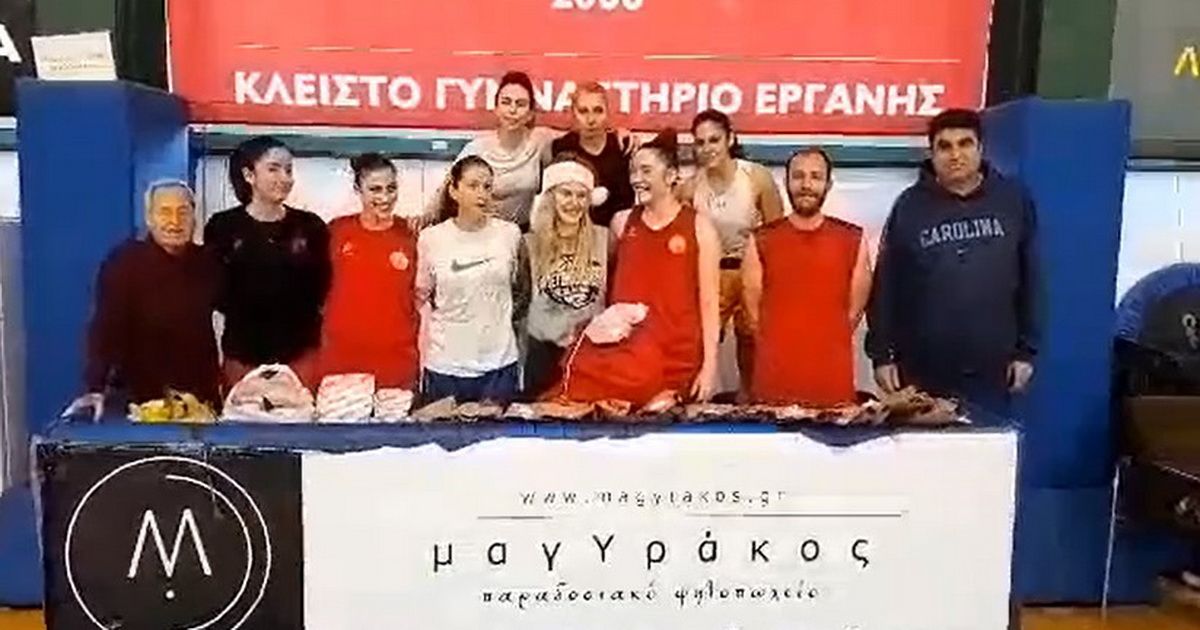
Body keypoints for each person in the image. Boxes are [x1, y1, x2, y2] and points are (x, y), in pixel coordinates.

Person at [866, 109, 1040, 415]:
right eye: (944, 146)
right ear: (932, 154)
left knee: (989, 444)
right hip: (923, 369)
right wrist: (882, 355)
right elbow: (886, 285)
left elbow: (1032, 279)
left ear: (980, 148)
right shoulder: (909, 206)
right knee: (925, 447)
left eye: (965, 143)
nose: (955, 154)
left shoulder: (1013, 200)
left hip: (994, 370)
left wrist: (1027, 352)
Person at [559, 130, 721, 405]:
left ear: (671, 176)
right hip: (626, 357)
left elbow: (709, 302)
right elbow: (604, 286)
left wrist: (709, 367)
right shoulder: (621, 223)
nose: (636, 179)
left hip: (678, 357)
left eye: (646, 171)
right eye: (633, 171)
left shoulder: (699, 227)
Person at [63, 181, 221, 420]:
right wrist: (95, 386)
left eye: (183, 212)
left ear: (194, 218)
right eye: (165, 212)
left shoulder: (208, 263)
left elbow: (242, 312)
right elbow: (105, 328)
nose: (175, 221)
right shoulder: (124, 263)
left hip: (198, 401)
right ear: (149, 218)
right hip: (139, 401)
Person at [742, 148, 871, 406]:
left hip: (832, 387)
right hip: (773, 387)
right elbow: (752, 311)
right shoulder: (761, 239)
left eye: (816, 177)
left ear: (828, 184)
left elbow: (854, 312)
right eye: (798, 176)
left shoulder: (853, 239)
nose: (806, 185)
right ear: (786, 182)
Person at [204, 136, 331, 390]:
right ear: (249, 175)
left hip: (300, 357)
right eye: (273, 169)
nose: (285, 178)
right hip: (243, 357)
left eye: (288, 170)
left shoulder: (310, 226)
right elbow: (216, 293)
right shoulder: (223, 227)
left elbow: (324, 287)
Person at [684, 110, 784, 394]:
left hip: (750, 272)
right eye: (700, 142)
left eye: (714, 140)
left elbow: (777, 234)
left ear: (730, 139)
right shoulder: (690, 188)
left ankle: (751, 402)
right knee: (701, 344)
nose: (707, 148)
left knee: (752, 346)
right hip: (713, 276)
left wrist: (772, 282)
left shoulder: (756, 177)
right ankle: (696, 400)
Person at [416, 155, 527, 403]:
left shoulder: (510, 234)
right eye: (473, 186)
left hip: (499, 365)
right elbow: (421, 295)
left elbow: (521, 292)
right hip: (445, 365)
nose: (482, 194)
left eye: (487, 187)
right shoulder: (431, 239)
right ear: (454, 190)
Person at [320, 153, 420, 390]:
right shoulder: (336, 231)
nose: (385, 198)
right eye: (375, 189)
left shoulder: (411, 234)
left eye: (391, 188)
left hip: (396, 360)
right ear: (358, 189)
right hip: (342, 358)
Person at [523, 154, 609, 397]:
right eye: (566, 194)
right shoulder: (528, 244)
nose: (574, 202)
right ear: (551, 196)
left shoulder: (605, 239)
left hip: (589, 355)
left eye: (581, 195)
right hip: (542, 357)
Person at [548, 82, 636, 227]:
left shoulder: (623, 146)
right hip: (574, 230)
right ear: (573, 113)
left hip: (619, 230)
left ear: (607, 113)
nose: (591, 120)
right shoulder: (562, 148)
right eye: (583, 111)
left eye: (598, 111)